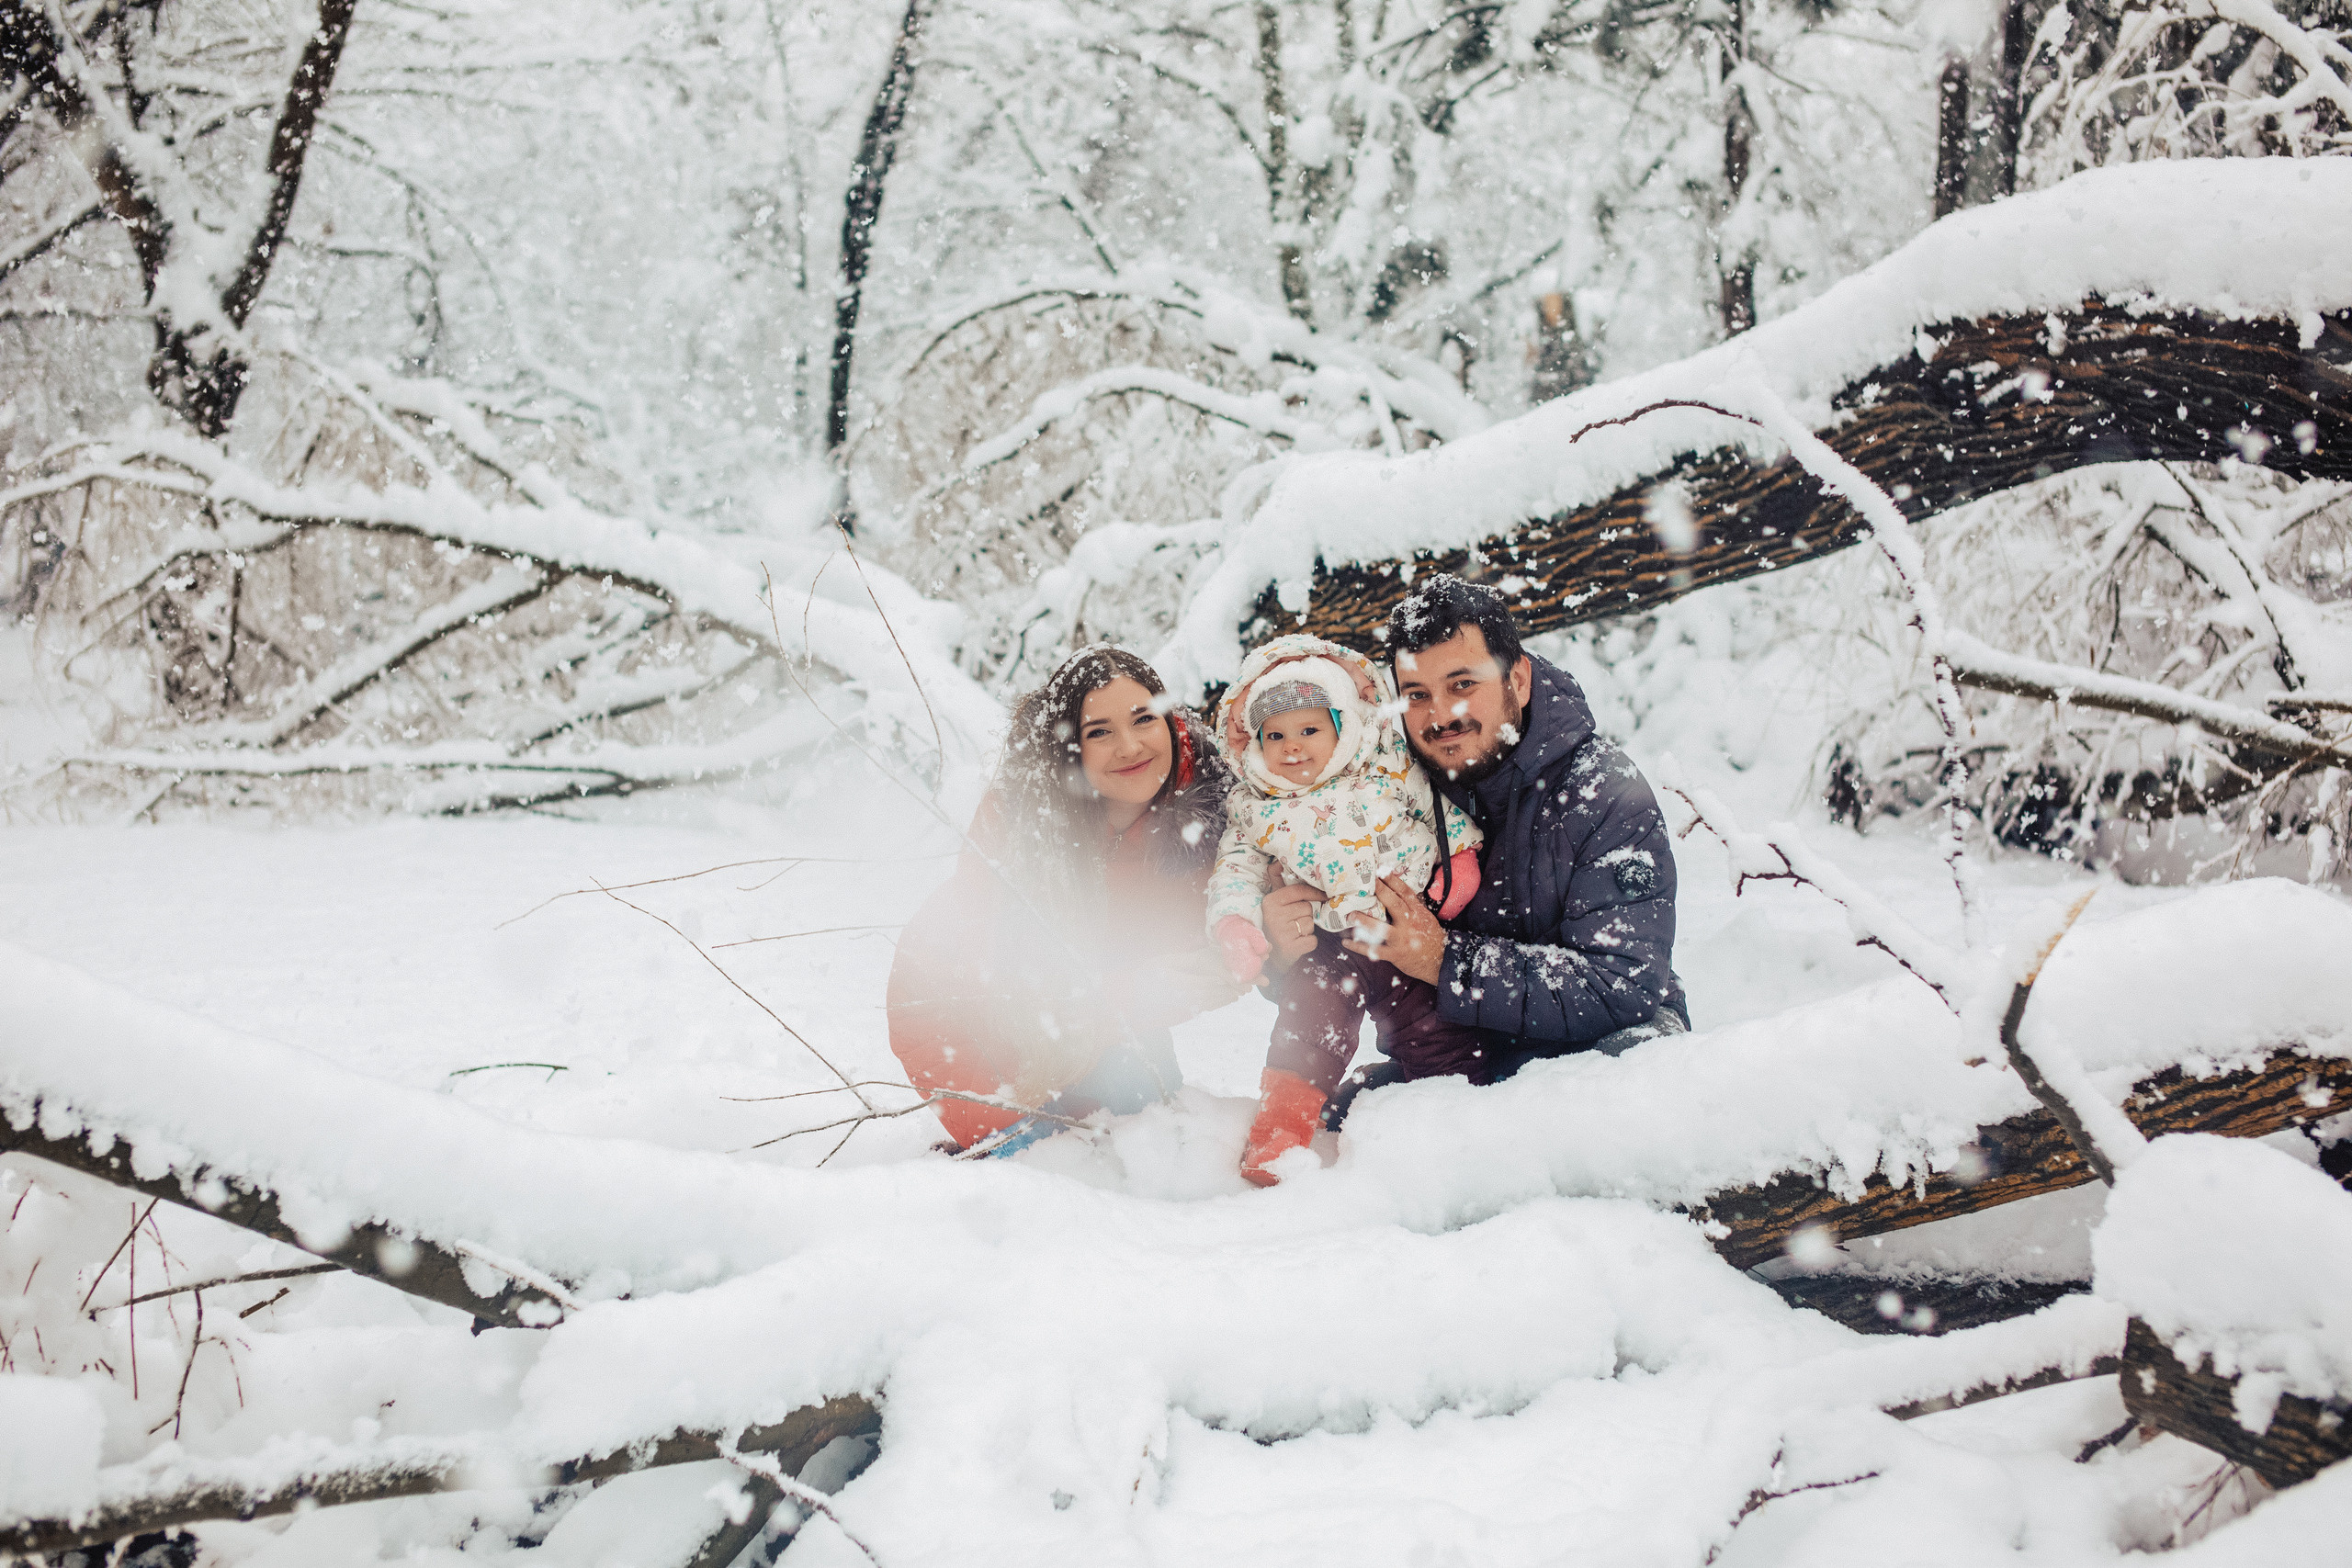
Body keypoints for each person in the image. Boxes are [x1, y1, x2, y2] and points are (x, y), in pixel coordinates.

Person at [1258, 574, 1688, 1130]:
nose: (1440, 715)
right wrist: (1288, 951)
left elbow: (1621, 988)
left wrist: (1445, 961)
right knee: (1347, 1122)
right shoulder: (1383, 791)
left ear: (1519, 680)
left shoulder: (1602, 793)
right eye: (1417, 695)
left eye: (1462, 684)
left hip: (1600, 1052)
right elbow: (1351, 961)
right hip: (1461, 1047)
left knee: (1621, 1089)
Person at [887, 646, 1244, 1154]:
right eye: (1099, 732)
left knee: (1145, 1121)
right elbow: (952, 983)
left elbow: (1242, 943)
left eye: (1144, 719)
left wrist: (1261, 938)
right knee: (1044, 1168)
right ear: (1069, 747)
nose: (1130, 746)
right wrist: (994, 1122)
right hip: (985, 1045)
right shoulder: (1021, 820)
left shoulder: (1218, 815)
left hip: (1112, 1040)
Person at [1198, 634, 1487, 1185]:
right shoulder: (1255, 809)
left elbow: (1443, 819)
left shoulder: (1389, 771)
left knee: (1439, 1031)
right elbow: (1234, 873)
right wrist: (1235, 924)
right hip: (1332, 948)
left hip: (1409, 934)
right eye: (1275, 735)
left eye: (1309, 730)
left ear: (1343, 726)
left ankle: (1460, 1124)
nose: (1292, 747)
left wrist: (1457, 874)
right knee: (1309, 1027)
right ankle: (1279, 1135)